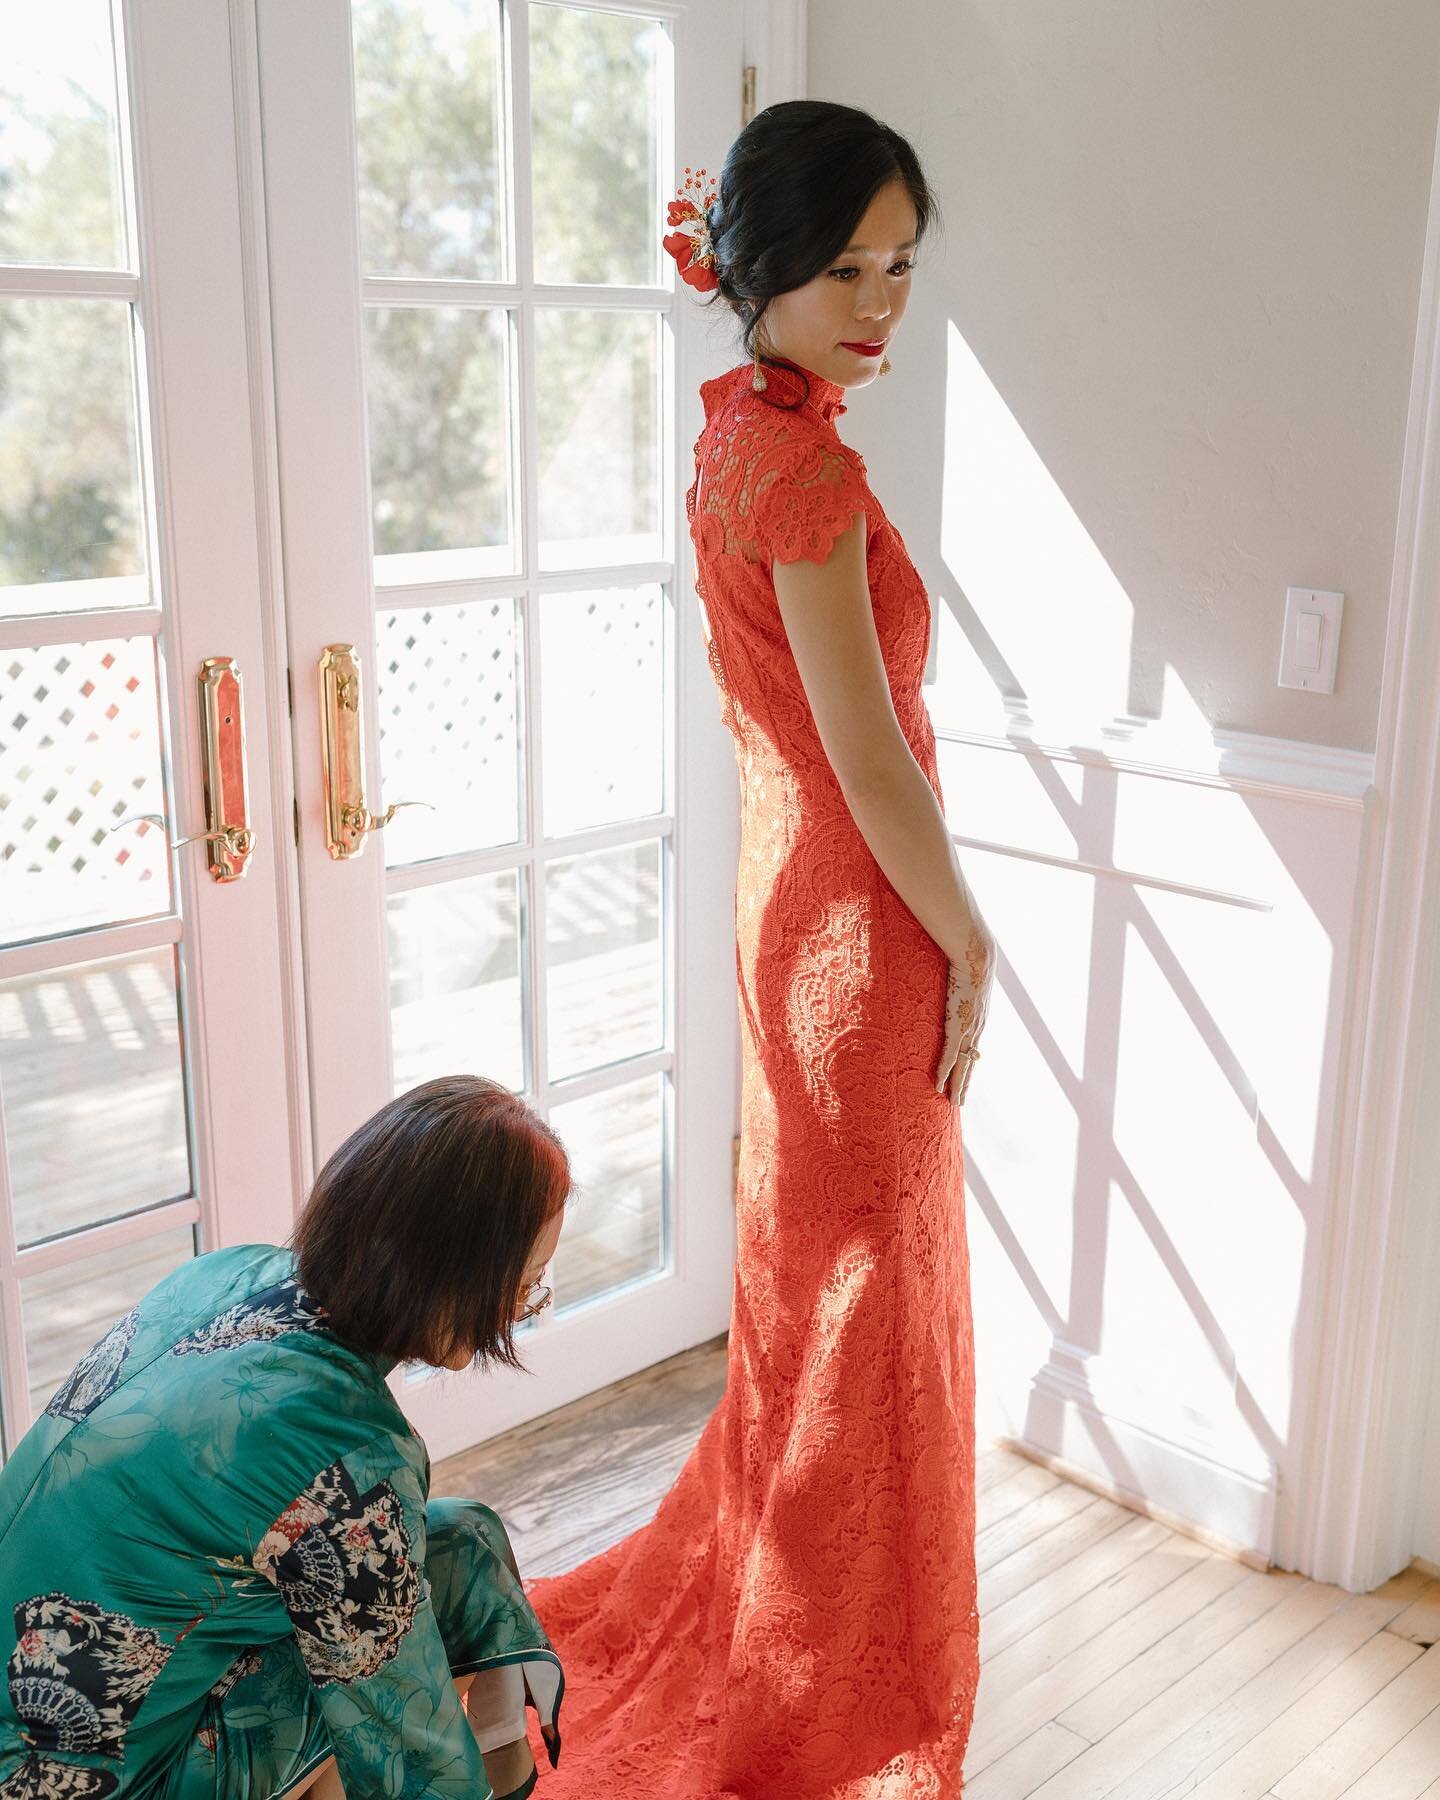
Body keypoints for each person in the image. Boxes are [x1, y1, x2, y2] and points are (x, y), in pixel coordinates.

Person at [522, 101, 997, 1796]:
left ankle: (798, 1618)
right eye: (844, 266)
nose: (879, 303)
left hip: (796, 896)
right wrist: (978, 939)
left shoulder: (741, 429)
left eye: (900, 268)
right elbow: (872, 760)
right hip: (859, 916)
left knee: (825, 1281)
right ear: (762, 268)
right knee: (862, 1297)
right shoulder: (800, 466)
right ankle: (825, 1673)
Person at [0, 1075, 570, 1800]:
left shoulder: (224, 1273)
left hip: (41, 1711)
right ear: (455, 1277)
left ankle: (510, 1777)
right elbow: (408, 1746)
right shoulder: (343, 1455)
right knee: (381, 1665)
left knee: (458, 1540)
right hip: (81, 1784)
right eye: (525, 1287)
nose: (523, 1308)